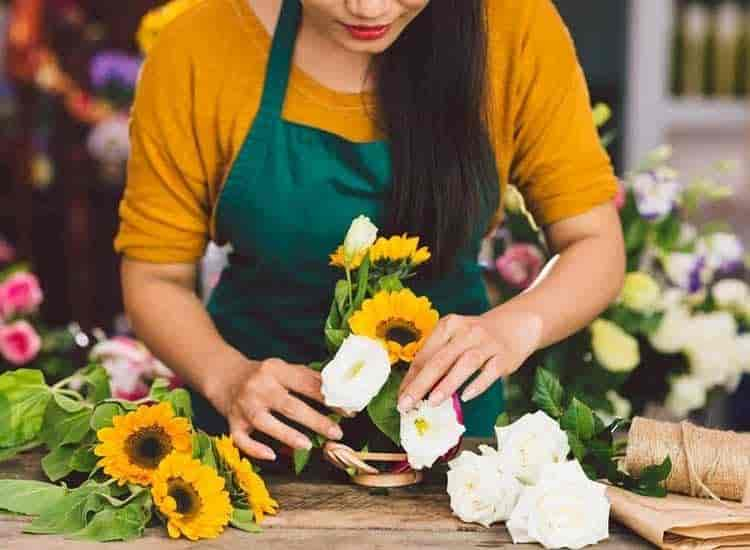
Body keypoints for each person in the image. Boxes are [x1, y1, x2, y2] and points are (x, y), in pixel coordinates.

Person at [116, 0, 625, 463]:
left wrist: (518, 325)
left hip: (449, 445)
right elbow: (156, 277)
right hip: (253, 441)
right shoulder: (199, 46)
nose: (367, 8)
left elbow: (593, 242)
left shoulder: (515, 29)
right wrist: (227, 377)